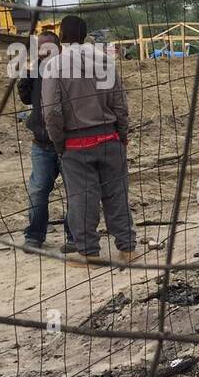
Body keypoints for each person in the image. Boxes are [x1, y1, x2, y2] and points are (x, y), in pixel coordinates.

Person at [42, 15, 137, 265]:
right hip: (110, 138)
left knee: (82, 198)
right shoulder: (105, 61)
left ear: (61, 36)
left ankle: (88, 252)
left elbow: (51, 111)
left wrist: (59, 142)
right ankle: (128, 249)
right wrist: (122, 135)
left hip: (76, 143)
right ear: (84, 35)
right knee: (117, 195)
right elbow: (120, 105)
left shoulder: (55, 65)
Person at [18, 28, 75, 252]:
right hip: (41, 144)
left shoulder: (71, 73)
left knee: (75, 191)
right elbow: (25, 99)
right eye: (39, 49)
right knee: (38, 190)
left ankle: (74, 236)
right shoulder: (35, 73)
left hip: (69, 143)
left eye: (46, 49)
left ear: (58, 49)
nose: (41, 53)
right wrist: (25, 76)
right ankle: (34, 236)